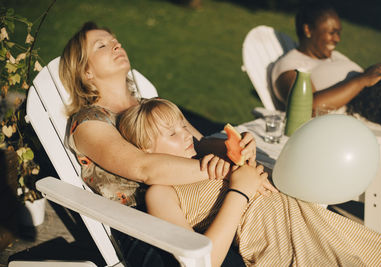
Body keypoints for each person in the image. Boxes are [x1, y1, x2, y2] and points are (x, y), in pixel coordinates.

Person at [59, 21, 258, 266]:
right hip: (144, 224)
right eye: (102, 45)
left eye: (115, 41)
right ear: (85, 71)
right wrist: (226, 172)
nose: (116, 45)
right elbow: (144, 168)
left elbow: (201, 144)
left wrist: (237, 148)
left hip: (196, 201)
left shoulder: (154, 106)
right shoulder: (90, 122)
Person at [118, 97, 381, 267]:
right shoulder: (161, 192)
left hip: (319, 225)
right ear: (145, 149)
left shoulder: (206, 162)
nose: (185, 136)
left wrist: (247, 162)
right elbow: (200, 261)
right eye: (172, 134)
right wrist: (240, 189)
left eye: (183, 126)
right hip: (287, 249)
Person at [271, 2, 381, 112]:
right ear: (308, 30)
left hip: (377, 104)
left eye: (338, 33)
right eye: (332, 33)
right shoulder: (290, 64)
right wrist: (362, 80)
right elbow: (306, 109)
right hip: (358, 116)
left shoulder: (335, 56)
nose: (337, 39)